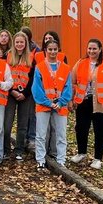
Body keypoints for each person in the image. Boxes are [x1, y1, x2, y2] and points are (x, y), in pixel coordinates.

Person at [70, 39, 103, 170]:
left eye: (94, 49)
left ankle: (98, 158)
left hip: (101, 104)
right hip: (83, 102)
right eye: (89, 48)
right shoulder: (80, 63)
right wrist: (71, 99)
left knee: (100, 131)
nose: (91, 51)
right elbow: (71, 82)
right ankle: (81, 153)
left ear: (100, 50)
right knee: (81, 129)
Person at [32, 39, 72, 169]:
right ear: (45, 50)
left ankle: (61, 160)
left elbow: (68, 88)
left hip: (60, 106)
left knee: (61, 135)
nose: (52, 52)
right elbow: (36, 89)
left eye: (55, 49)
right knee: (41, 134)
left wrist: (61, 102)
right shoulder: (39, 67)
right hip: (43, 105)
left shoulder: (65, 68)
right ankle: (40, 160)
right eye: (50, 49)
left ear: (58, 50)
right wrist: (48, 103)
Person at [3, 32, 35, 161]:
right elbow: (3, 75)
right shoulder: (8, 56)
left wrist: (25, 93)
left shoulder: (31, 57)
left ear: (26, 43)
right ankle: (6, 150)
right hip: (11, 93)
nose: (19, 44)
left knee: (22, 125)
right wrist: (12, 91)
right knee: (7, 124)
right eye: (17, 42)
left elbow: (33, 78)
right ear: (14, 43)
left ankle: (19, 150)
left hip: (25, 95)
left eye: (22, 42)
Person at [21, 26, 40, 152]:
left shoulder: (35, 50)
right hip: (20, 87)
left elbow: (35, 71)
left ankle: (31, 138)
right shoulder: (18, 49)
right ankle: (23, 138)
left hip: (31, 86)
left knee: (32, 114)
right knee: (23, 115)